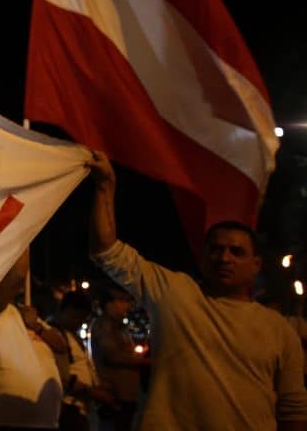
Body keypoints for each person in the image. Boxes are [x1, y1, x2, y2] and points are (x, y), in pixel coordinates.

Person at [88, 152, 307, 430]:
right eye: (216, 249)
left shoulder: (279, 330)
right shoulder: (172, 291)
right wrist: (105, 185)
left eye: (236, 252)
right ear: (203, 258)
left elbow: (293, 408)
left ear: (256, 265)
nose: (224, 258)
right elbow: (105, 251)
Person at [0, 248, 66, 430]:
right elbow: (18, 274)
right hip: (7, 420)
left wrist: (36, 326)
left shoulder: (26, 313)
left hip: (45, 420)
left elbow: (60, 345)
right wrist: (21, 236)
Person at [48, 290, 116, 430]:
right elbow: (60, 376)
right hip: (67, 409)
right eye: (77, 317)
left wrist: (98, 386)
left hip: (78, 408)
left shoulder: (71, 335)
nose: (79, 322)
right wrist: (92, 391)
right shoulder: (54, 335)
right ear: (67, 310)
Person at [89, 286, 147, 431]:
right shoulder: (105, 325)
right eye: (121, 301)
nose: (126, 305)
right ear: (108, 305)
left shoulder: (119, 327)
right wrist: (145, 361)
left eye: (126, 301)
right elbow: (113, 355)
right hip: (115, 394)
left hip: (125, 394)